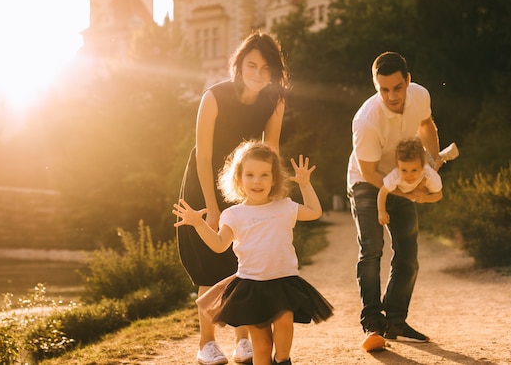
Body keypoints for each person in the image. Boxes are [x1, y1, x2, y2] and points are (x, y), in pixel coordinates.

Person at [177, 31, 290, 364]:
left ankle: (243, 341)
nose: (257, 72)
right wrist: (211, 207)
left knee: (243, 262)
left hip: (245, 182)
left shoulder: (275, 100)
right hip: (204, 183)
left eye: (265, 68)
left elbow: (271, 152)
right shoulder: (214, 96)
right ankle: (206, 344)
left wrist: (271, 198)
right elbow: (203, 155)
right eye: (251, 65)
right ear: (238, 66)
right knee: (209, 267)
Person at [173, 140, 334, 365]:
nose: (257, 181)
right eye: (250, 175)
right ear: (238, 178)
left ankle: (283, 360)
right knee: (262, 345)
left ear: (274, 178)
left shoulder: (284, 206)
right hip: (251, 286)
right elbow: (219, 245)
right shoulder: (233, 215)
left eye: (264, 175)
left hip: (284, 282)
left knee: (285, 321)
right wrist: (199, 224)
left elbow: (315, 211)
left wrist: (305, 184)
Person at [346, 51, 444, 351]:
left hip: (402, 178)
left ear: (408, 81)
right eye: (383, 89)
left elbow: (426, 126)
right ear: (375, 85)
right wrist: (409, 193)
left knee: (409, 253)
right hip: (366, 184)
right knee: (372, 249)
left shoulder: (421, 95)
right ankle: (373, 322)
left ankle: (396, 320)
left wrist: (434, 159)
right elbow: (369, 172)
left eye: (397, 88)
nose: (391, 96)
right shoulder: (366, 120)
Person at [377, 138, 443, 226]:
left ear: (422, 167)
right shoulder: (396, 175)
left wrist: (425, 199)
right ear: (398, 166)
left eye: (414, 170)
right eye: (404, 170)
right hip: (399, 192)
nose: (409, 175)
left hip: (418, 188)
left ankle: (437, 159)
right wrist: (381, 211)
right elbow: (383, 192)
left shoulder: (428, 175)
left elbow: (439, 195)